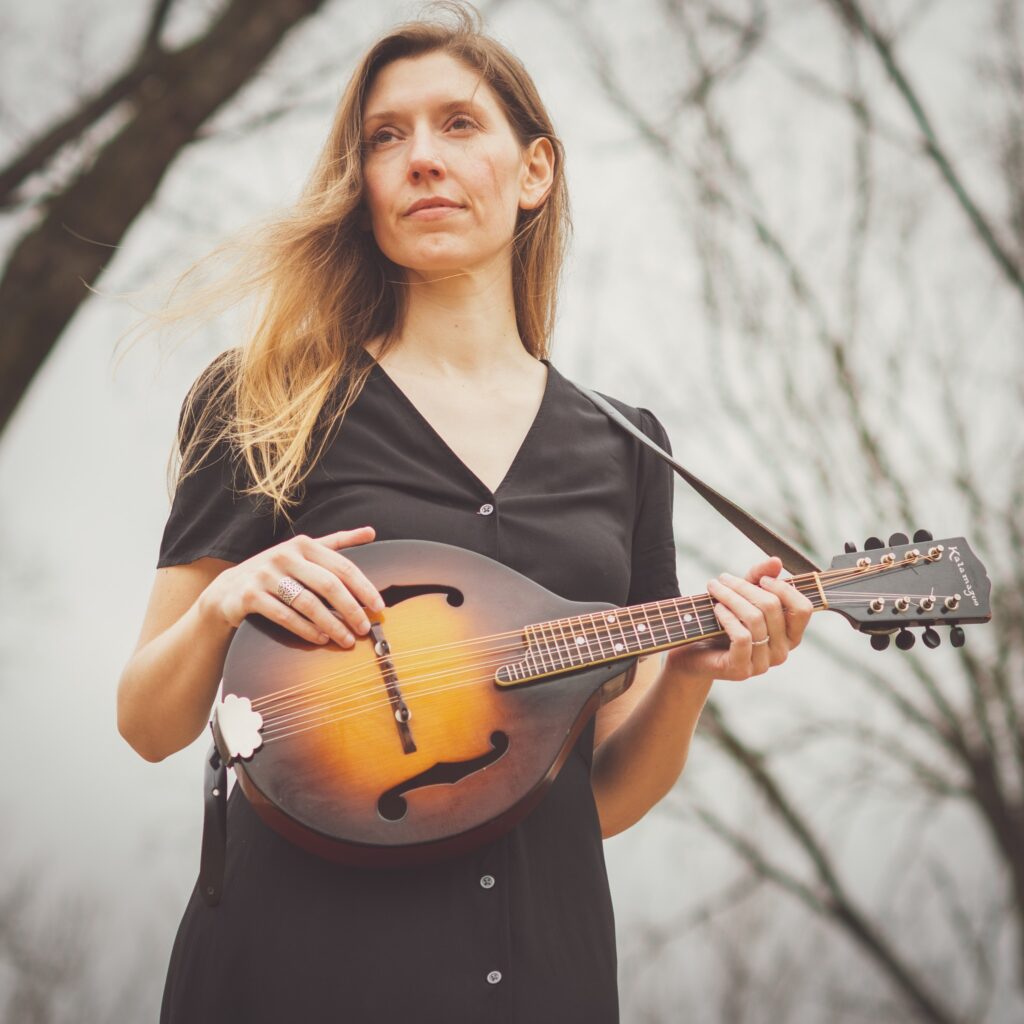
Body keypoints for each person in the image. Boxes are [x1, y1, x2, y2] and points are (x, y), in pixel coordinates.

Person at [116, 4, 813, 1021]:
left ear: (534, 172)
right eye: (385, 137)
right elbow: (145, 722)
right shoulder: (264, 399)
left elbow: (599, 795)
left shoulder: (629, 445)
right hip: (298, 966)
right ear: (362, 188)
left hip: (542, 974)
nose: (421, 159)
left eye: (457, 125)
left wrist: (691, 681)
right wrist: (228, 601)